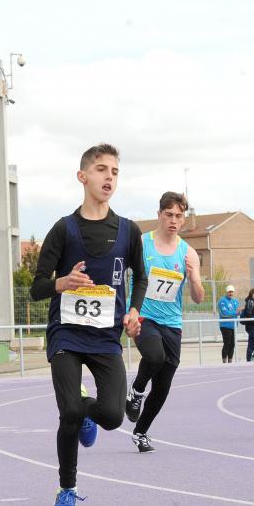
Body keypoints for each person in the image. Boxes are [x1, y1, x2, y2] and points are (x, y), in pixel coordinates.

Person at [30, 143, 145, 506]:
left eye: (114, 171)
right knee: (69, 413)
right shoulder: (63, 230)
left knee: (112, 416)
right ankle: (66, 489)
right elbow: (36, 288)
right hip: (66, 334)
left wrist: (135, 312)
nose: (109, 176)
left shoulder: (129, 231)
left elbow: (140, 278)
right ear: (83, 176)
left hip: (107, 338)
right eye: (101, 169)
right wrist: (61, 283)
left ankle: (86, 411)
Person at [124, 192, 204, 453]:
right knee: (154, 356)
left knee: (163, 386)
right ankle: (135, 391)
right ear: (159, 214)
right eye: (169, 215)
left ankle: (141, 432)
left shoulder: (188, 252)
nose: (173, 220)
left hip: (172, 322)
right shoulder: (141, 243)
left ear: (183, 219)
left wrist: (193, 278)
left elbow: (198, 297)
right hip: (144, 316)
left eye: (179, 216)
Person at [218, 285, 239, 363]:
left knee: (232, 344)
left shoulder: (235, 301)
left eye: (232, 292)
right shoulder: (222, 301)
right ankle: (224, 361)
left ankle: (230, 360)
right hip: (225, 326)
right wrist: (235, 312)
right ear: (226, 292)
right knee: (227, 343)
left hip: (234, 326)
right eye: (229, 292)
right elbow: (224, 314)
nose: (231, 293)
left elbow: (238, 312)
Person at [242, 288, 254, 362]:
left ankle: (250, 359)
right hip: (251, 326)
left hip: (251, 325)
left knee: (251, 343)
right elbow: (249, 314)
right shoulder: (250, 302)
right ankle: (249, 359)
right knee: (251, 344)